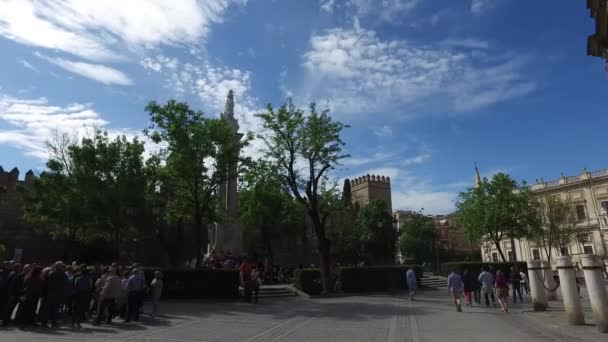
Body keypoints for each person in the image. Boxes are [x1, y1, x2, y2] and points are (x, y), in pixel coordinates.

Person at [15, 264, 43, 329]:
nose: (41, 272)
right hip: (30, 296)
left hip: (32, 296)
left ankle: (29, 321)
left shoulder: (31, 277)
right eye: (40, 271)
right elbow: (29, 287)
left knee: (31, 309)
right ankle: (24, 322)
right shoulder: (33, 278)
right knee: (27, 309)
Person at [46, 261, 68, 327]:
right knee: (55, 308)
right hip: (58, 293)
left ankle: (50, 321)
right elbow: (65, 283)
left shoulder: (52, 273)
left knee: (52, 308)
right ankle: (53, 322)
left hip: (52, 293)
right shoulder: (62, 274)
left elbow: (48, 283)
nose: (62, 267)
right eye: (61, 266)